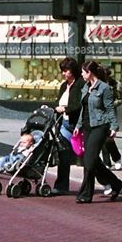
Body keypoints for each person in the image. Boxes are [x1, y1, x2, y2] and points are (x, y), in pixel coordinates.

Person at [73, 61, 122, 203]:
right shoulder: (85, 87)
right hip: (86, 126)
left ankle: (85, 194)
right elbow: (83, 109)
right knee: (91, 160)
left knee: (89, 161)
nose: (82, 75)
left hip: (100, 126)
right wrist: (78, 125)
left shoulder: (105, 88)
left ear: (89, 73)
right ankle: (115, 184)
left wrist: (114, 127)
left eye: (83, 72)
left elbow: (109, 109)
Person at [53, 57, 84, 195]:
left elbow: (79, 104)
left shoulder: (80, 84)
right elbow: (58, 102)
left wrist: (65, 109)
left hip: (78, 125)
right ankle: (61, 186)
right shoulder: (64, 86)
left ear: (73, 70)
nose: (64, 74)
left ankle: (109, 182)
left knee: (88, 158)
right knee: (63, 155)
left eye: (66, 71)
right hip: (65, 125)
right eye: (62, 71)